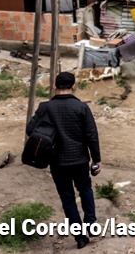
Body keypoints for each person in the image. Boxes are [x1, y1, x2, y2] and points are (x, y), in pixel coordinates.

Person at [27, 71, 101, 249]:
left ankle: (80, 237)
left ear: (54, 86)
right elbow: (92, 135)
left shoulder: (45, 107)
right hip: (79, 160)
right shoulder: (81, 107)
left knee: (67, 199)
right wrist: (96, 160)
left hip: (57, 162)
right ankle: (90, 222)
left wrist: (48, 134)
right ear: (73, 86)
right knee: (85, 189)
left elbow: (30, 129)